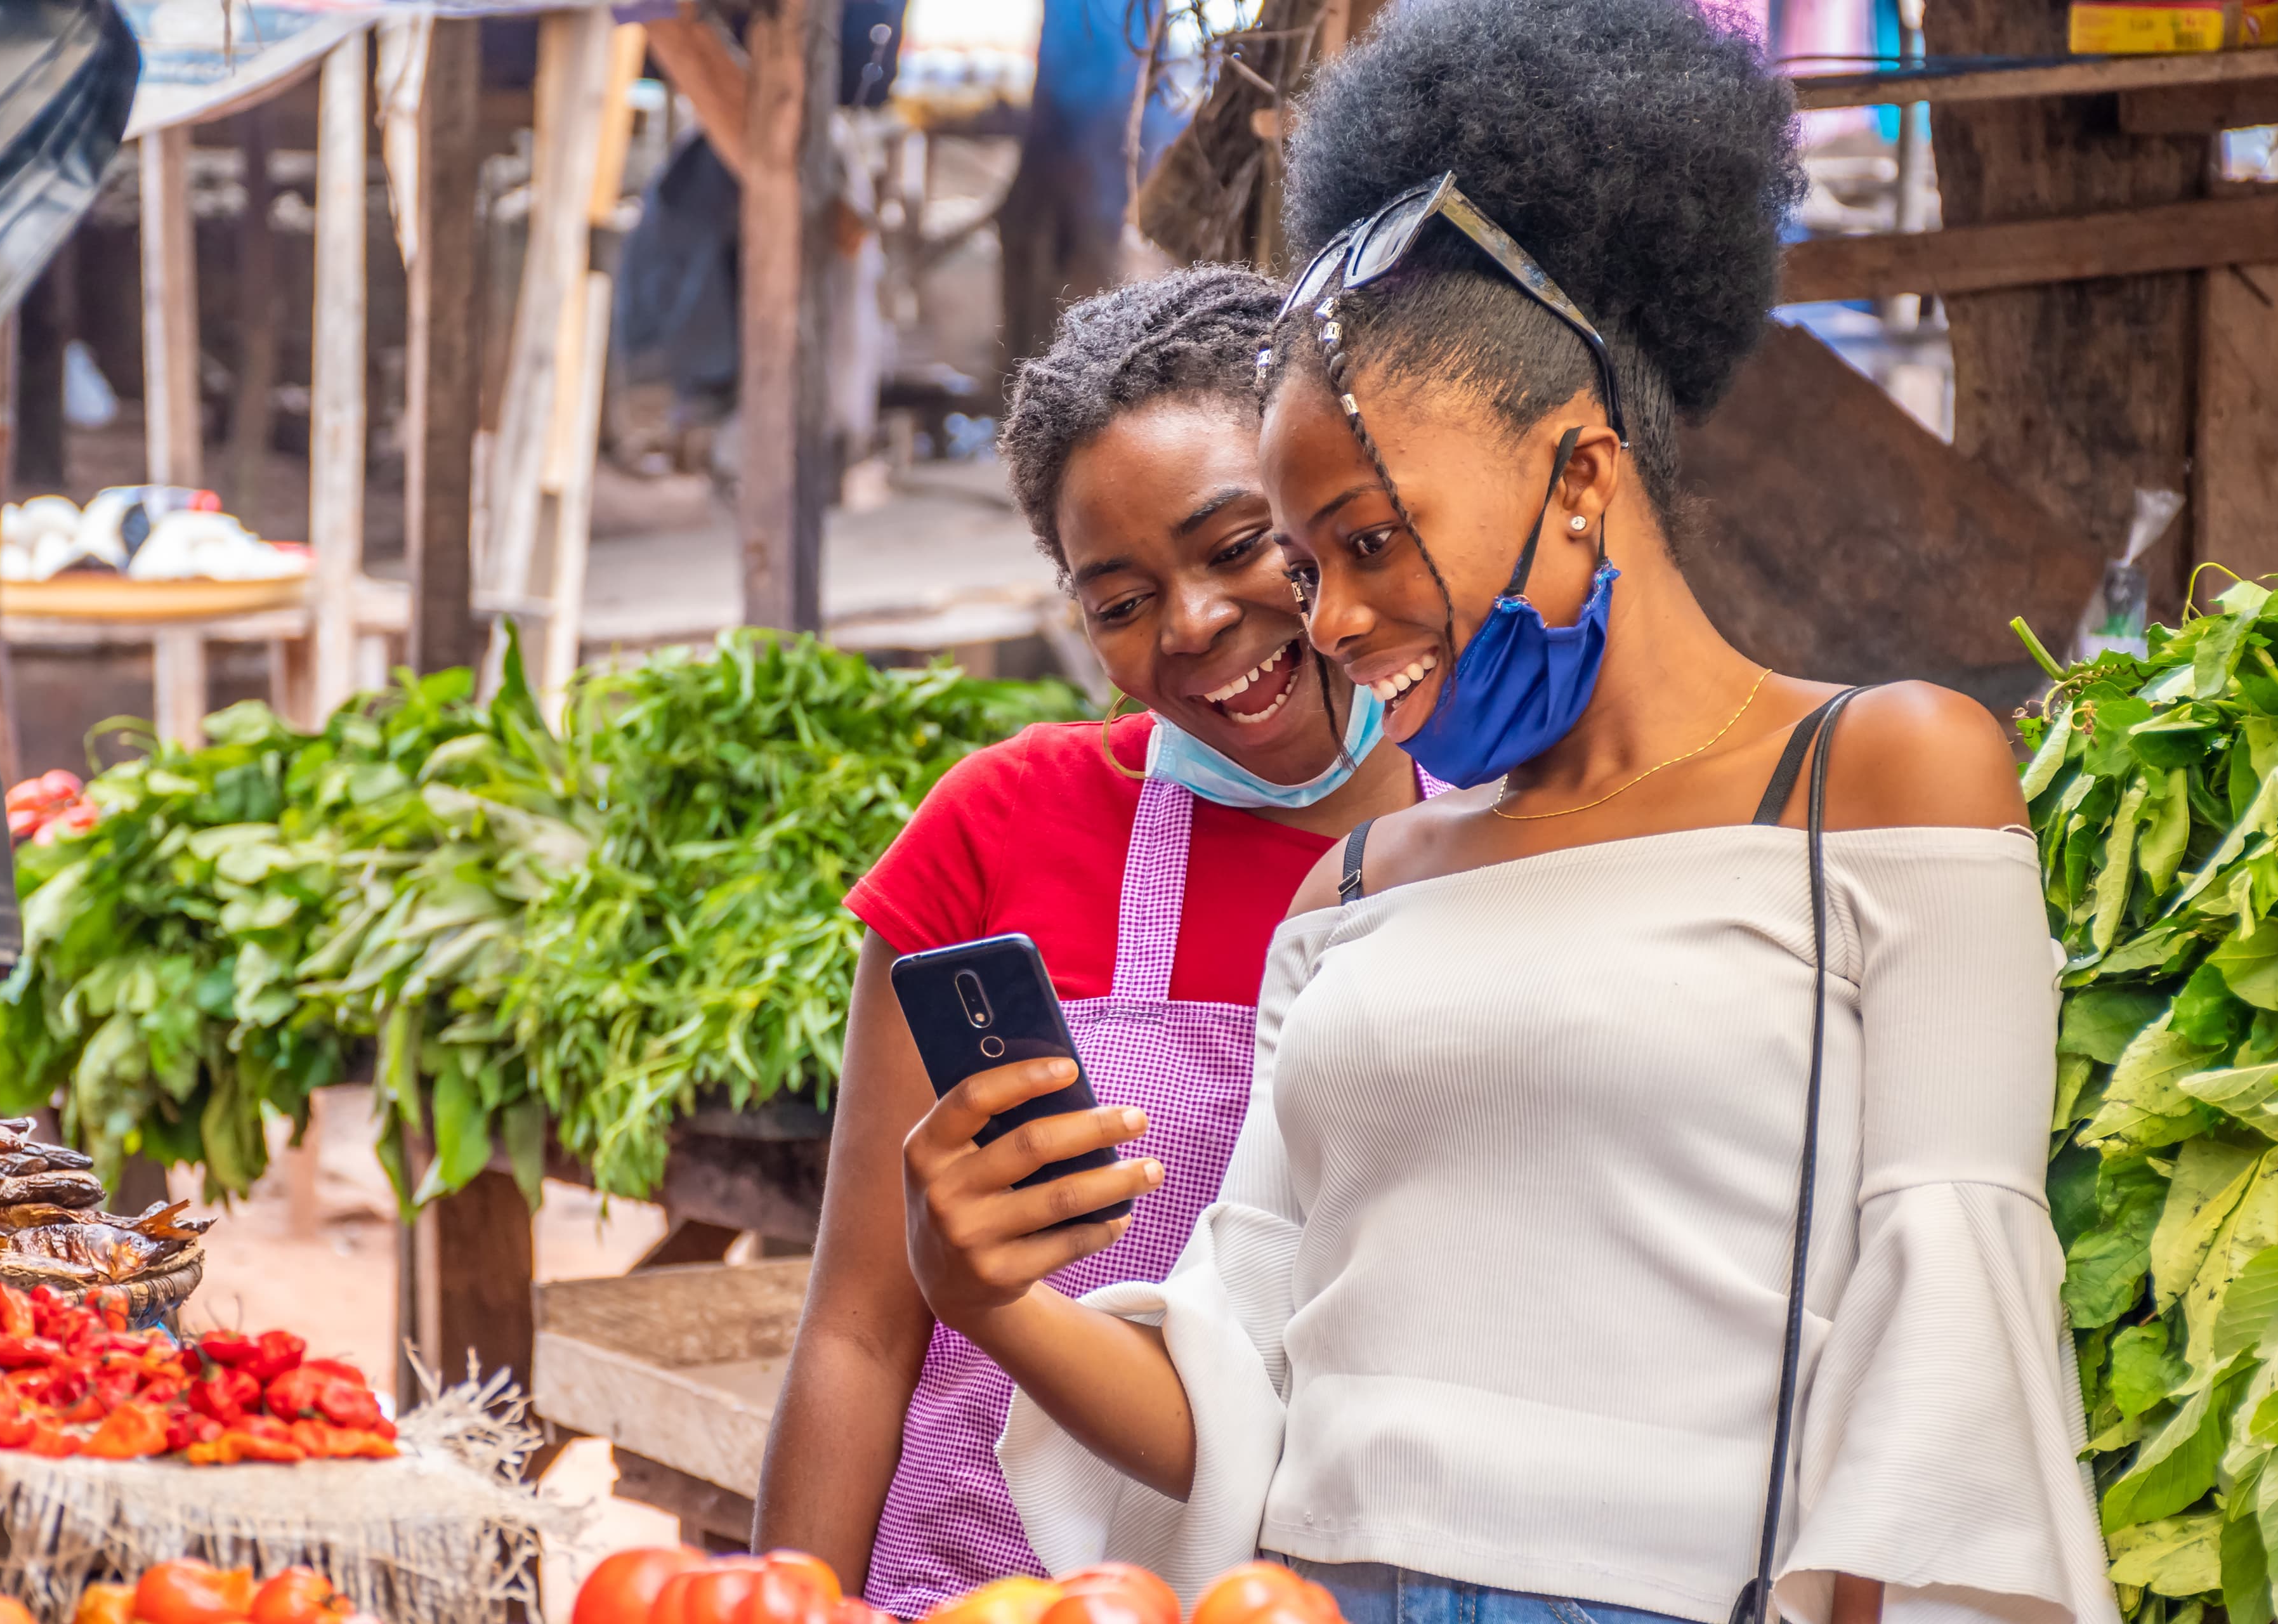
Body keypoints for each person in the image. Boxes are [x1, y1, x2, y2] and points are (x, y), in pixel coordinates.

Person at [896, 8, 2119, 1624]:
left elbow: (1949, 1320)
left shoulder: (1884, 772)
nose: (1328, 622)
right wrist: (979, 1292)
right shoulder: (1361, 883)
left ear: (1584, 475)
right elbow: (1237, 1393)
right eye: (1310, 564)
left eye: (1371, 540)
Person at [753, 265, 1433, 1616]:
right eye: (1120, 600)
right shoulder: (999, 825)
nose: (1194, 624)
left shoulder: (1509, 836)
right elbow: (859, 1326)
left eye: (1238, 543)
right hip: (975, 1584)